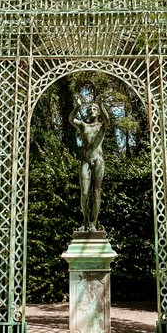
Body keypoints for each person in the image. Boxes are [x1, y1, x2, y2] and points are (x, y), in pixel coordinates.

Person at [69, 95, 110, 232]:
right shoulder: (83, 126)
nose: (91, 111)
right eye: (89, 109)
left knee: (96, 192)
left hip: (98, 160)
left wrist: (101, 104)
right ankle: (85, 221)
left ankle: (93, 223)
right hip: (85, 161)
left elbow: (107, 120)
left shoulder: (101, 126)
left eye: (94, 109)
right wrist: (77, 107)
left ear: (98, 112)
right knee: (85, 193)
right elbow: (71, 120)